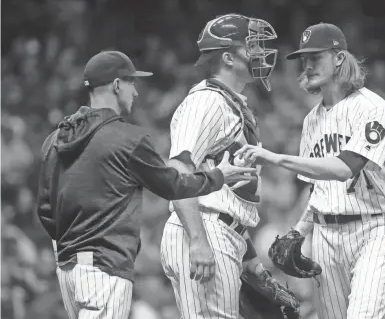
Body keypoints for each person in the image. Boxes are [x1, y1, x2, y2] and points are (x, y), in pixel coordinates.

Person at [36, 50, 256, 319]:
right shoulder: (128, 140)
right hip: (106, 267)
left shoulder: (55, 139)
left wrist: (73, 245)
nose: (136, 93)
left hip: (68, 269)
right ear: (117, 85)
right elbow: (174, 185)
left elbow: (45, 210)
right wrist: (218, 176)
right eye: (132, 83)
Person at [235, 23, 385, 319]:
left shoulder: (373, 109)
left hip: (373, 229)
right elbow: (320, 189)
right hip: (325, 235)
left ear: (339, 58)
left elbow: (343, 169)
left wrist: (275, 158)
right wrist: (299, 229)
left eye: (316, 58)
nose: (308, 66)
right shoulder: (312, 121)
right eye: (305, 60)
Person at [160, 13, 278, 319]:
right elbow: (178, 170)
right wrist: (198, 240)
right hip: (202, 228)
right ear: (228, 56)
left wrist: (250, 257)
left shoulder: (230, 102)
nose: (259, 53)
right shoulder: (207, 101)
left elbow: (231, 196)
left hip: (222, 230)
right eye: (251, 46)